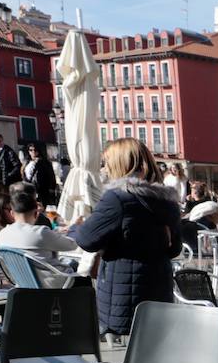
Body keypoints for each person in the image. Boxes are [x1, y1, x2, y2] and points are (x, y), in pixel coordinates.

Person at [71, 138, 182, 337]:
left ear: (120, 164)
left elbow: (86, 240)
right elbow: (175, 249)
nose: (105, 169)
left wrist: (77, 227)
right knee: (150, 350)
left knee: (129, 355)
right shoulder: (168, 200)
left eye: (107, 163)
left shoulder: (117, 198)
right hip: (159, 288)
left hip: (122, 294)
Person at [0, 183, 79, 266]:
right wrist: (75, 227)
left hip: (18, 277)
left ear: (12, 213)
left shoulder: (2, 234)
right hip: (50, 277)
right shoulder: (41, 233)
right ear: (36, 213)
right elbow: (72, 245)